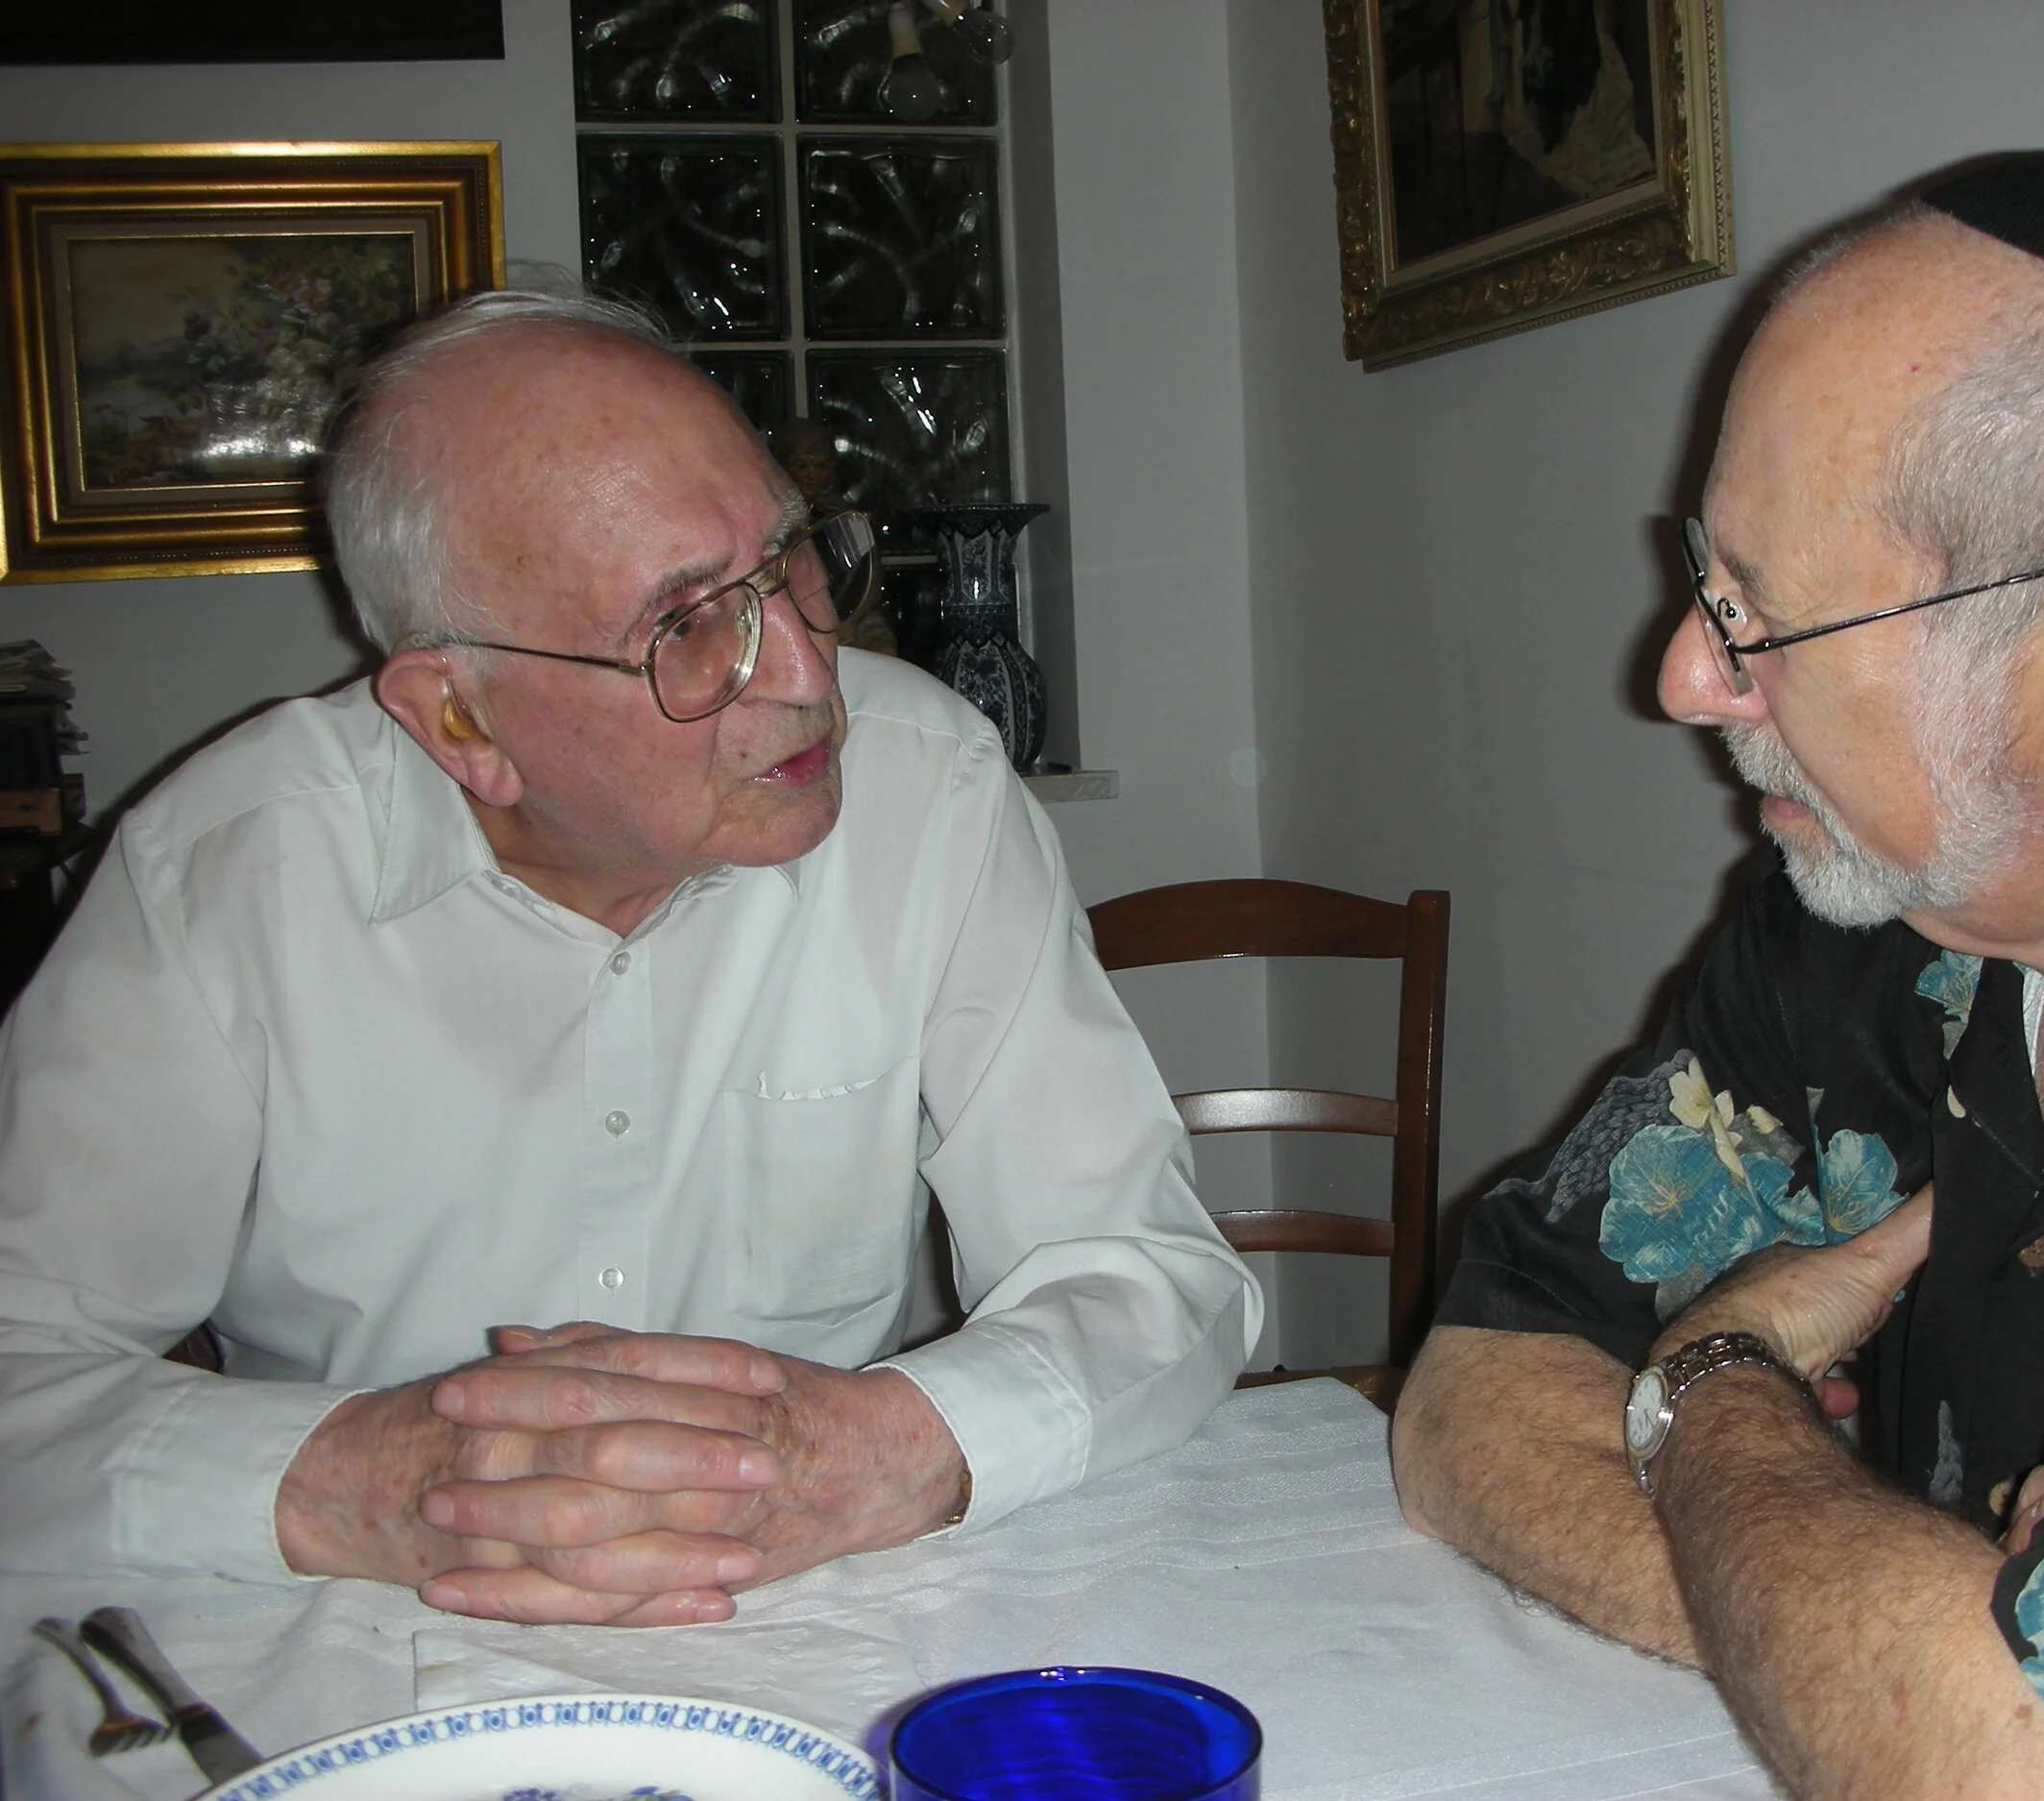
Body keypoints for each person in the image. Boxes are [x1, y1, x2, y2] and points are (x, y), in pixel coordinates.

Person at [0, 289, 1260, 1627]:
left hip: (825, 1616)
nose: (808, 675)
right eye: (686, 626)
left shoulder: (929, 785)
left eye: (793, 560)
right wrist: (370, 1483)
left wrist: (868, 1452)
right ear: (461, 717)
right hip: (350, 1638)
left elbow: (1153, 1276)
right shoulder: (223, 868)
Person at [1392, 151, 2044, 1797]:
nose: (1684, 675)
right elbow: (1475, 1391)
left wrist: (1715, 1386)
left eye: (1758, 613)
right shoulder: (1877, 901)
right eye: (1704, 581)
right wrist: (1894, 1635)